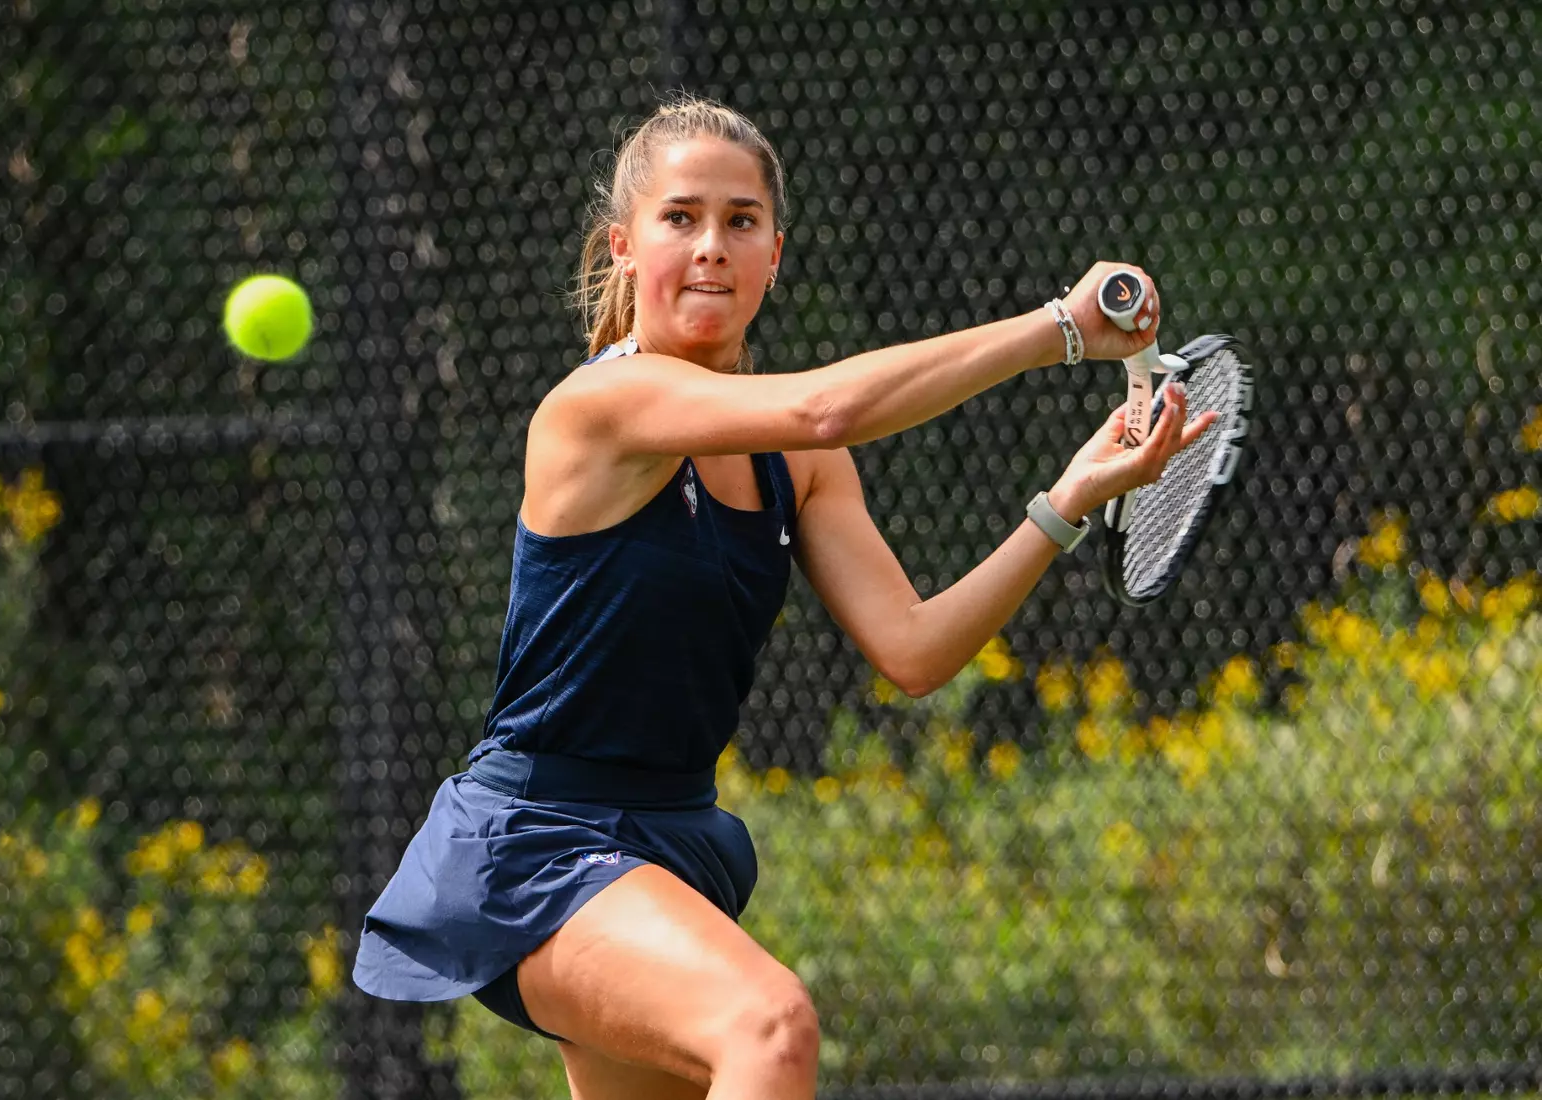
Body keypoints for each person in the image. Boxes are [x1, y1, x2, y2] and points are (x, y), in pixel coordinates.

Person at [354, 94, 1215, 1100]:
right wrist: (1060, 329)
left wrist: (1067, 501)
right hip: (539, 842)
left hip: (670, 845)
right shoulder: (600, 407)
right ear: (623, 247)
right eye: (679, 218)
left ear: (774, 255)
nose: (711, 245)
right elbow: (824, 404)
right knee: (769, 1026)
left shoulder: (803, 469)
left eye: (740, 221)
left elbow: (916, 647)